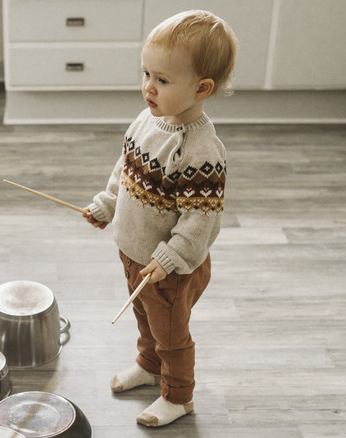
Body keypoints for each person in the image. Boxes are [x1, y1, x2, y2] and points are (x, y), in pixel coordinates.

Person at [83, 10, 237, 427]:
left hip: (169, 268)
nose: (149, 87)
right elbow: (126, 169)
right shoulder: (149, 118)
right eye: (146, 73)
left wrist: (169, 259)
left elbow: (200, 223)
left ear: (202, 88)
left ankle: (178, 396)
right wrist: (107, 204)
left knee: (172, 336)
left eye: (163, 80)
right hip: (134, 254)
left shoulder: (200, 152)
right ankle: (149, 367)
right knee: (145, 320)